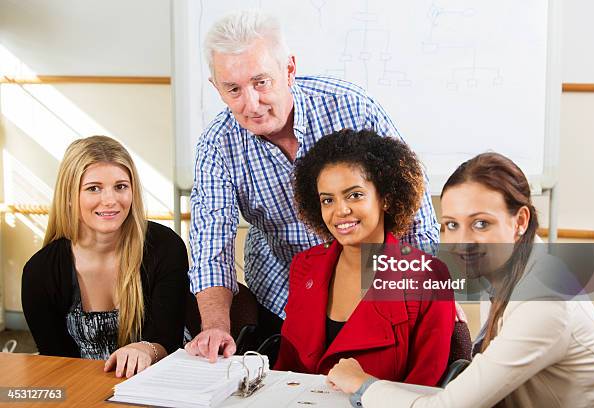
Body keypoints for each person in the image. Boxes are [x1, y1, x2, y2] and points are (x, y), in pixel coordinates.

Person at [186, 9, 439, 362]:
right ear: (217, 88)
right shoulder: (217, 144)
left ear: (289, 69)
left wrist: (421, 300)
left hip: (376, 285)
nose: (252, 104)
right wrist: (215, 326)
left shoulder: (350, 107)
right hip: (285, 290)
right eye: (234, 90)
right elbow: (211, 245)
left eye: (261, 82)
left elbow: (413, 216)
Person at [327, 152, 594, 407]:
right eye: (451, 224)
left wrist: (362, 384)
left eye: (481, 223)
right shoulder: (508, 268)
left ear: (520, 221)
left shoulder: (544, 300)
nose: (461, 242)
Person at [273, 130, 456, 386]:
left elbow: (424, 388)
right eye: (328, 200)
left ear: (386, 198)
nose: (341, 210)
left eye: (355, 195)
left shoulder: (428, 277)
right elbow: (285, 371)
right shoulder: (305, 266)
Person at [22, 136, 193, 378]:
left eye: (121, 186)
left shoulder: (165, 246)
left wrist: (146, 349)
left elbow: (169, 337)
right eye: (94, 188)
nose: (111, 200)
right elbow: (56, 361)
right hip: (85, 387)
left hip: (165, 377)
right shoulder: (40, 272)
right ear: (69, 195)